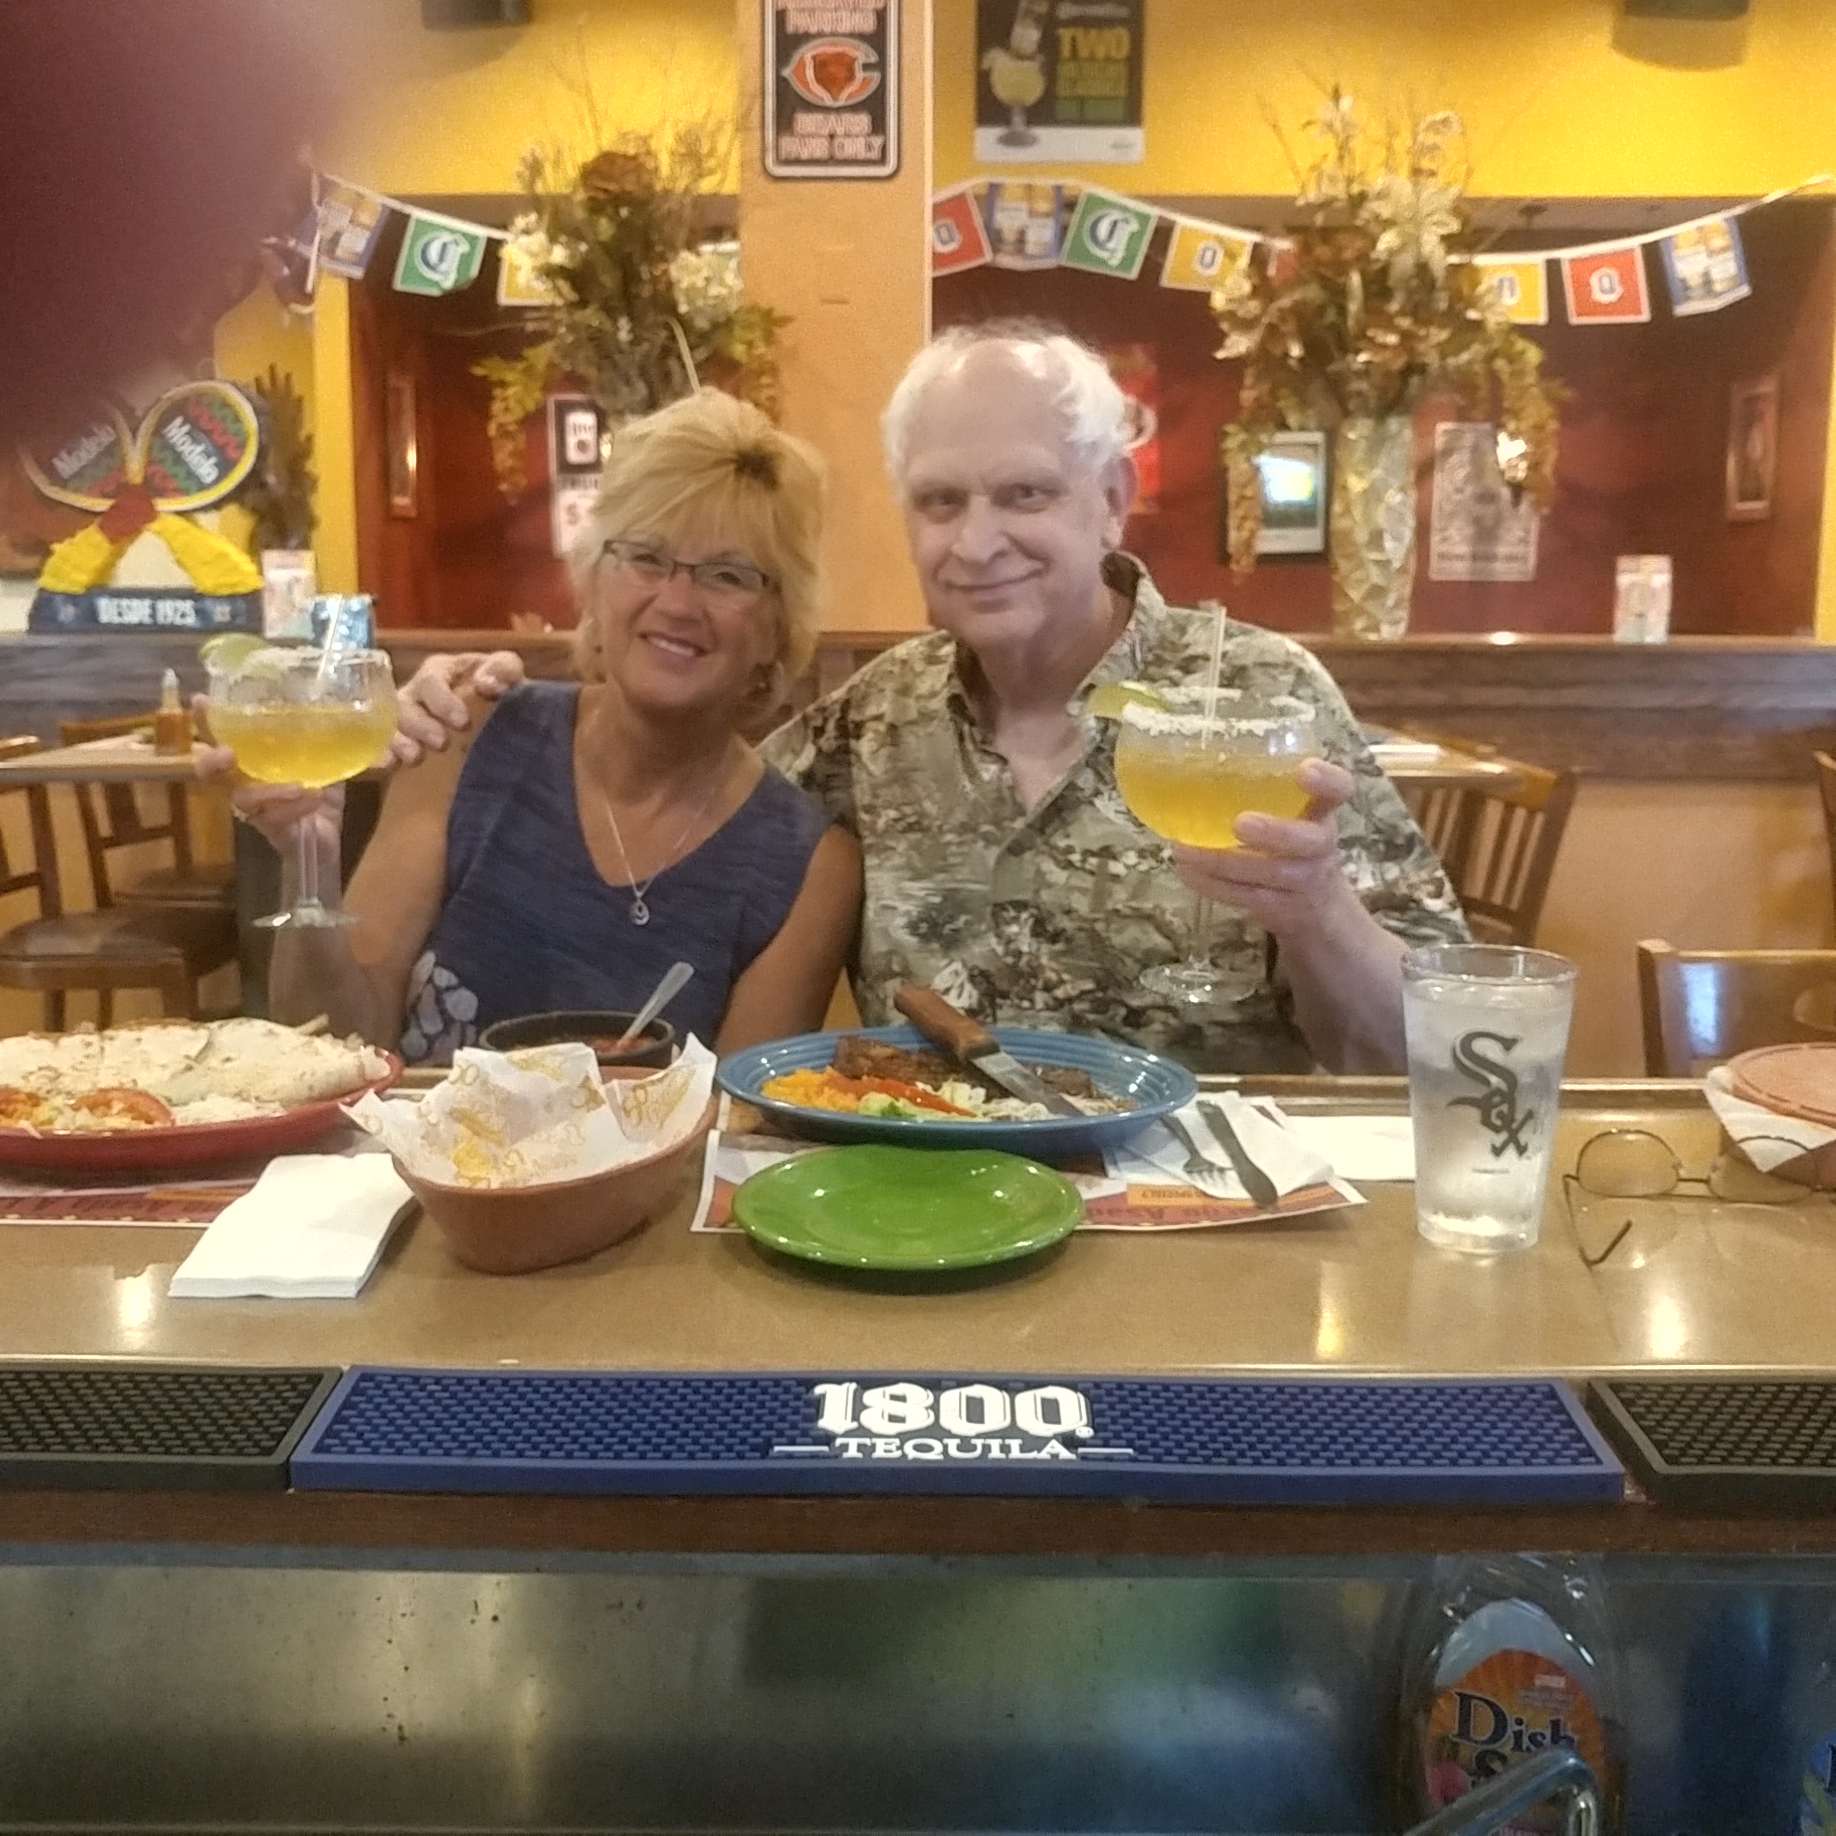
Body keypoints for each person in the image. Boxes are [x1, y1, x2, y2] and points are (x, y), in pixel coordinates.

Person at [392, 323, 1466, 1073]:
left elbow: (1442, 1058)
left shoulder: (1263, 701)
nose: (978, 541)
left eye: (1024, 493)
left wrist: (1321, 915)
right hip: (928, 1223)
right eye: (941, 502)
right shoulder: (870, 724)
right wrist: (468, 710)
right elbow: (688, 809)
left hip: (1206, 1227)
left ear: (1112, 499)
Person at [203, 388, 861, 1063]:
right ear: (594, 579)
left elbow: (737, 1117)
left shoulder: (808, 867)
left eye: (727, 576)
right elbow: (339, 1044)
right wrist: (307, 862)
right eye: (647, 558)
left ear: (777, 628)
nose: (678, 602)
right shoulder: (470, 730)